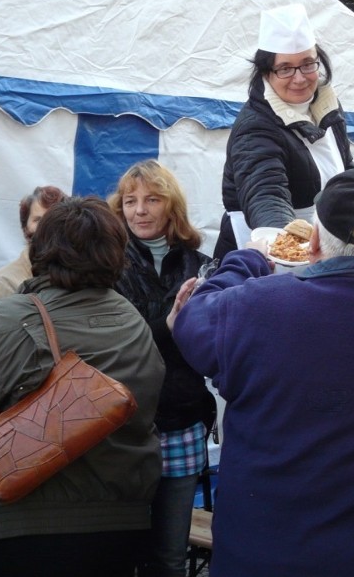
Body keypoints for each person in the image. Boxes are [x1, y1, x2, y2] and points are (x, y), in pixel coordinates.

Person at [169, 168, 354, 577]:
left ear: (315, 242)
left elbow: (190, 321)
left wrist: (249, 257)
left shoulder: (257, 308)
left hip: (258, 556)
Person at [0, 197, 165, 577]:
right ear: (117, 252)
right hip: (119, 525)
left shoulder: (16, 317)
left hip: (15, 527)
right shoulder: (130, 318)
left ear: (41, 248)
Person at [108, 159, 217, 577]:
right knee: (120, 555)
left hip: (181, 419)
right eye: (130, 201)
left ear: (171, 206)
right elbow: (116, 343)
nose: (140, 210)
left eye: (152, 199)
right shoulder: (110, 262)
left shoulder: (200, 264)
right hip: (122, 424)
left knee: (170, 558)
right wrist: (170, 325)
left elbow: (212, 342)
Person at [213, 3, 354, 260]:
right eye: (285, 68)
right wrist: (288, 245)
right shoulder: (256, 125)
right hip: (267, 257)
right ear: (267, 72)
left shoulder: (328, 106)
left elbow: (347, 173)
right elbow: (265, 193)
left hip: (321, 251)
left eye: (308, 64)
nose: (299, 78)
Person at [0, 185, 67, 300]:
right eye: (38, 220)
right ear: (25, 227)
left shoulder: (79, 277)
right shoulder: (2, 283)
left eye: (54, 220)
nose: (47, 228)